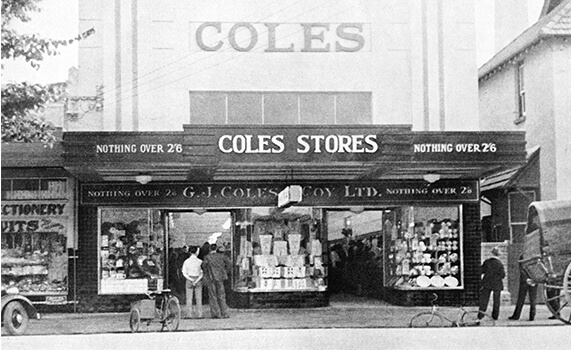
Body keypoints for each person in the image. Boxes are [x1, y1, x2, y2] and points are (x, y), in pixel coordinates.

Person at [203, 243, 231, 318]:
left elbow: (204, 267)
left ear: (210, 249)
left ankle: (216, 314)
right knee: (222, 296)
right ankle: (224, 313)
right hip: (220, 278)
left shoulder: (207, 257)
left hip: (211, 278)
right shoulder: (222, 256)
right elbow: (229, 264)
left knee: (213, 296)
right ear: (216, 249)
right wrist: (225, 271)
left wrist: (206, 276)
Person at [478, 246, 505, 320]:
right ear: (498, 255)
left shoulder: (487, 262)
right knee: (496, 300)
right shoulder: (500, 263)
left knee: (484, 299)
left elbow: (481, 271)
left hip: (487, 282)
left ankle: (481, 314)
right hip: (497, 283)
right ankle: (495, 316)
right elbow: (503, 275)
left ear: (492, 253)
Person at [509, 255, 537, 321]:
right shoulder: (534, 257)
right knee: (533, 299)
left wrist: (526, 279)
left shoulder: (523, 256)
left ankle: (516, 315)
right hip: (533, 281)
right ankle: (532, 316)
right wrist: (534, 279)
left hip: (525, 281)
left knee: (521, 299)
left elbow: (521, 269)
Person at [181, 246, 204, 318]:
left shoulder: (186, 261)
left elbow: (184, 272)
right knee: (199, 298)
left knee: (189, 298)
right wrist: (196, 280)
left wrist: (191, 279)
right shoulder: (200, 261)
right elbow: (202, 273)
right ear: (197, 252)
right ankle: (199, 314)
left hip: (189, 279)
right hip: (198, 279)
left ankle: (189, 315)